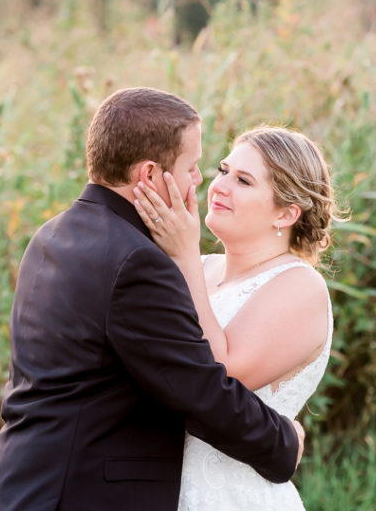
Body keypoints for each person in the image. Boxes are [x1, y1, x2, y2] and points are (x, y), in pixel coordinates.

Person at [0, 88, 304, 511]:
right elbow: (198, 389)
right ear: (149, 174)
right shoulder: (135, 261)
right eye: (192, 166)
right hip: (76, 494)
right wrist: (283, 441)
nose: (200, 180)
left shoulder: (52, 235)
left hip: (21, 485)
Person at [133, 125, 339, 510]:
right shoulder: (203, 269)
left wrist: (183, 257)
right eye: (223, 171)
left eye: (243, 180)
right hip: (162, 491)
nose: (219, 186)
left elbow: (217, 378)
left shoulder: (300, 286)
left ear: (287, 213)